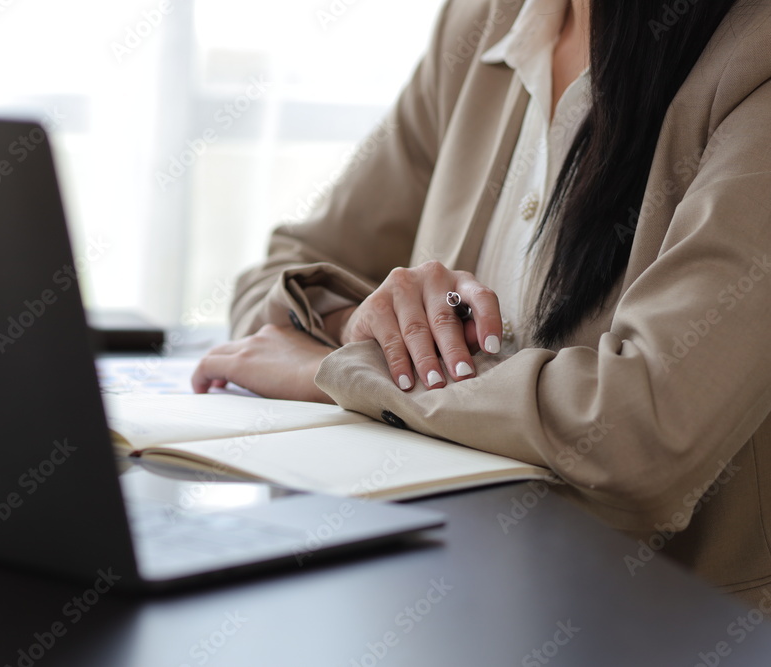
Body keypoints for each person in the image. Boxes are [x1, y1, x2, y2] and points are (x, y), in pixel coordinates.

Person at [191, 0, 771, 606]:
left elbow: (644, 429)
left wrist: (340, 371)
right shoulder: (483, 24)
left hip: (659, 625)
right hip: (432, 591)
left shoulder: (753, 59)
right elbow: (279, 278)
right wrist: (361, 325)